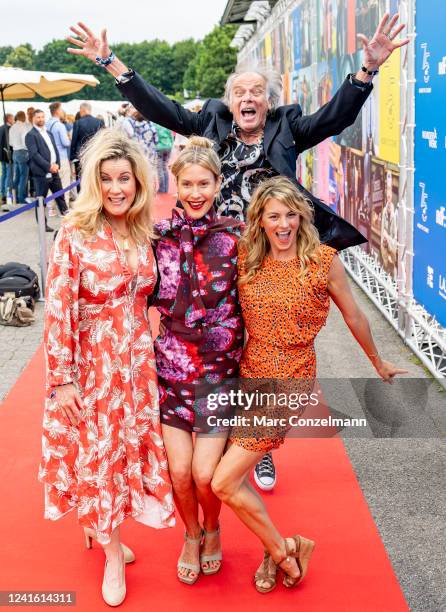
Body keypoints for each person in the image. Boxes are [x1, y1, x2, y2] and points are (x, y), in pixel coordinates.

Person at [66, 13, 409, 490]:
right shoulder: (210, 120)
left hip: (267, 259)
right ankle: (220, 430)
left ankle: (257, 447)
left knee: (263, 353)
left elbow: (336, 116)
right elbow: (163, 109)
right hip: (213, 255)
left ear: (268, 102)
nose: (248, 99)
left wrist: (366, 71)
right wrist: (112, 62)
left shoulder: (287, 126)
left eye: (257, 93)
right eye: (240, 93)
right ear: (230, 101)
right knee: (221, 346)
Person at [209, 176, 406, 593]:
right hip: (249, 372)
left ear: (302, 218)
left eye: (291, 215)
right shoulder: (246, 256)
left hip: (289, 380)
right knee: (234, 476)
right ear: (260, 221)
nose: (284, 224)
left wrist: (378, 362)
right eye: (274, 216)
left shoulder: (321, 259)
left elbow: (354, 316)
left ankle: (284, 550)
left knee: (223, 481)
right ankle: (275, 546)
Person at [38, 128, 175, 606]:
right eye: (107, 179)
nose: (117, 188)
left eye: (125, 178)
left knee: (119, 453)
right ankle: (112, 551)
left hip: (136, 365)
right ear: (94, 183)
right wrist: (62, 380)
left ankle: (100, 528)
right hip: (92, 366)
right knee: (96, 454)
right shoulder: (75, 233)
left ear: (139, 182)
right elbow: (58, 311)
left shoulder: (141, 229)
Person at [152, 137, 243, 585]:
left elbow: (260, 300)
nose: (194, 192)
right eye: (186, 183)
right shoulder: (157, 238)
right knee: (181, 473)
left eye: (203, 183)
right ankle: (192, 534)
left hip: (219, 373)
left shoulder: (238, 237)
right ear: (176, 184)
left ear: (217, 183)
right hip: (171, 370)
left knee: (207, 474)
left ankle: (214, 527)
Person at [25, 109, 69, 231]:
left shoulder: (49, 132)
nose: (41, 119)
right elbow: (34, 155)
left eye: (42, 117)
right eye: (38, 117)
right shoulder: (31, 135)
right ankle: (42, 226)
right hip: (41, 173)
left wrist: (57, 165)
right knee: (41, 200)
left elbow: (55, 150)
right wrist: (49, 166)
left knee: (61, 197)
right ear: (33, 119)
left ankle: (69, 223)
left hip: (55, 171)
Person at [70, 102, 105, 190]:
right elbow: (103, 139)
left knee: (81, 180)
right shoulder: (99, 122)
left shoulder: (77, 123)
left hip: (81, 156)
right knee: (94, 178)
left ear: (82, 110)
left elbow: (74, 140)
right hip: (95, 154)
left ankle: (82, 199)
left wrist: (71, 156)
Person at [46, 102, 72, 207]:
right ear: (57, 111)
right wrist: (69, 138)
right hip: (62, 157)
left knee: (52, 182)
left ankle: (50, 207)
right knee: (65, 182)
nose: (62, 112)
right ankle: (64, 206)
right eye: (61, 110)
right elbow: (65, 143)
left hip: (50, 158)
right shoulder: (60, 126)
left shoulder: (46, 124)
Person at [9, 111, 30, 205]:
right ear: (23, 117)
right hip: (23, 152)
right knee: (23, 177)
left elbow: (10, 143)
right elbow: (25, 141)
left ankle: (15, 198)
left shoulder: (12, 127)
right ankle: (22, 199)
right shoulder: (23, 127)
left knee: (16, 177)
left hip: (15, 152)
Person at [153, 122, 173, 193]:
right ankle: (166, 189)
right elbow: (171, 137)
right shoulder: (167, 125)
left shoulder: (155, 125)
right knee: (165, 167)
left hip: (159, 148)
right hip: (168, 147)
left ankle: (162, 188)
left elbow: (154, 137)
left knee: (159, 168)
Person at [0, 113, 14, 210]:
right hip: (7, 154)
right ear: (8, 119)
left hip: (1, 155)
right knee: (8, 175)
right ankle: (6, 194)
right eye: (12, 118)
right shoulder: (9, 129)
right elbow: (9, 143)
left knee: (4, 174)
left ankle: (2, 192)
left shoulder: (0, 127)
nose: (13, 120)